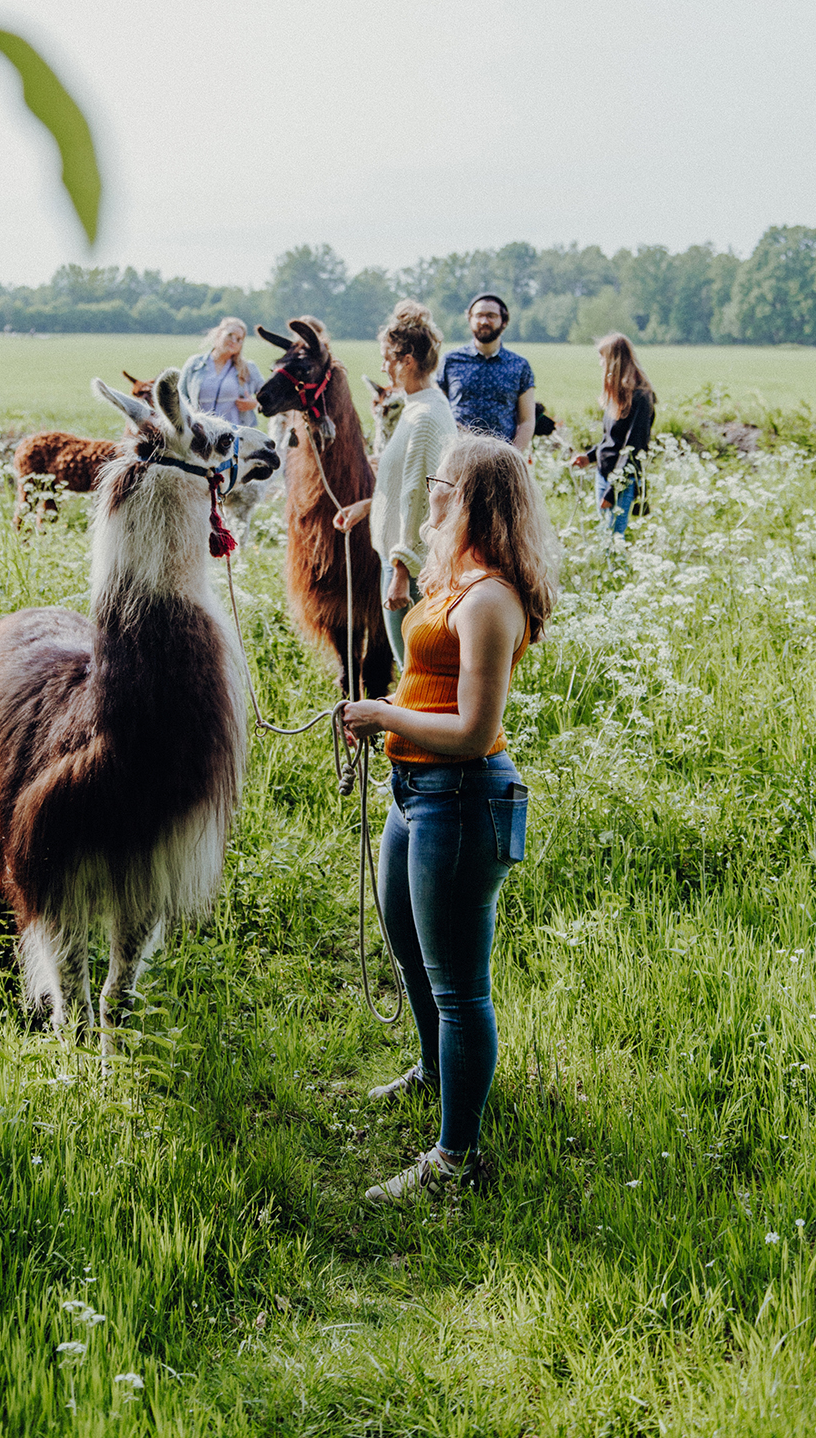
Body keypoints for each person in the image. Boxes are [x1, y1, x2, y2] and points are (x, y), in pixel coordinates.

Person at [339, 432, 554, 1202]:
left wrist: (380, 712)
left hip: (461, 799)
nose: (430, 493)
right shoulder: (455, 581)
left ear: (472, 498)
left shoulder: (492, 599)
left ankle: (456, 1158)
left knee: (460, 987)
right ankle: (436, 1074)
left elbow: (470, 729)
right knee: (410, 951)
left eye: (441, 483)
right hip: (415, 795)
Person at [332, 301, 454, 663]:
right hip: (407, 560)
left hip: (411, 566)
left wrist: (401, 571)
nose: (383, 366)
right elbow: (408, 481)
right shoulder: (422, 407)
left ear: (408, 360)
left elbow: (421, 496)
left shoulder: (424, 419)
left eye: (387, 357)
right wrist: (367, 507)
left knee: (414, 672)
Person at [572, 332, 655, 539]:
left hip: (621, 482)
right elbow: (610, 438)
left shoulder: (641, 398)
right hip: (603, 474)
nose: (600, 363)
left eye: (603, 358)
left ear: (615, 361)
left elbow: (633, 447)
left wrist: (612, 491)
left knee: (614, 539)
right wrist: (589, 457)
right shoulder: (616, 394)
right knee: (604, 536)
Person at [438, 293, 537, 452]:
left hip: (501, 459)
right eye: (479, 316)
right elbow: (439, 411)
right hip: (457, 456)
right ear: (470, 319)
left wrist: (513, 457)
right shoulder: (450, 361)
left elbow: (526, 421)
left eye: (491, 316)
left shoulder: (519, 365)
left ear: (504, 321)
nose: (484, 321)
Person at [179, 318, 262, 427]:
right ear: (219, 333)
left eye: (238, 339)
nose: (233, 341)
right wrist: (189, 413)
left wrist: (254, 404)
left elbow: (270, 395)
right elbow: (179, 396)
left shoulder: (248, 368)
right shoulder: (194, 364)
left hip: (234, 435)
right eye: (230, 335)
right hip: (200, 433)